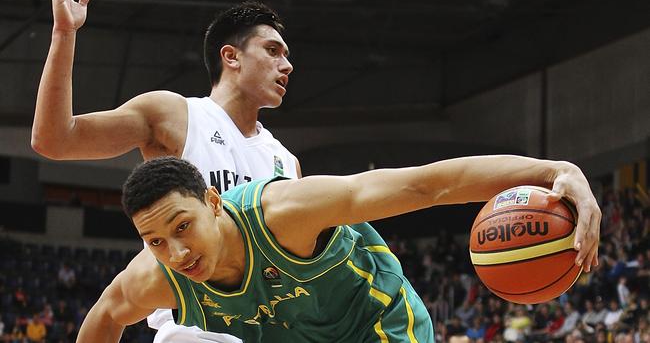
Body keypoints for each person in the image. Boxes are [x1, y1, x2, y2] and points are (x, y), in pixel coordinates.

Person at [77, 154, 602, 342]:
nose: (176, 253)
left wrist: (557, 171)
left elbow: (427, 186)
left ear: (213, 203)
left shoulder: (285, 213)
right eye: (155, 242)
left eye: (182, 227)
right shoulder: (155, 277)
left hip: (377, 324)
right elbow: (105, 316)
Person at [33, 0, 300, 342]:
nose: (286, 65)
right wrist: (64, 33)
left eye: (285, 55)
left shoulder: (285, 161)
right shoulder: (175, 115)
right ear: (231, 56)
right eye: (273, 51)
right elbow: (54, 141)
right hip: (193, 332)